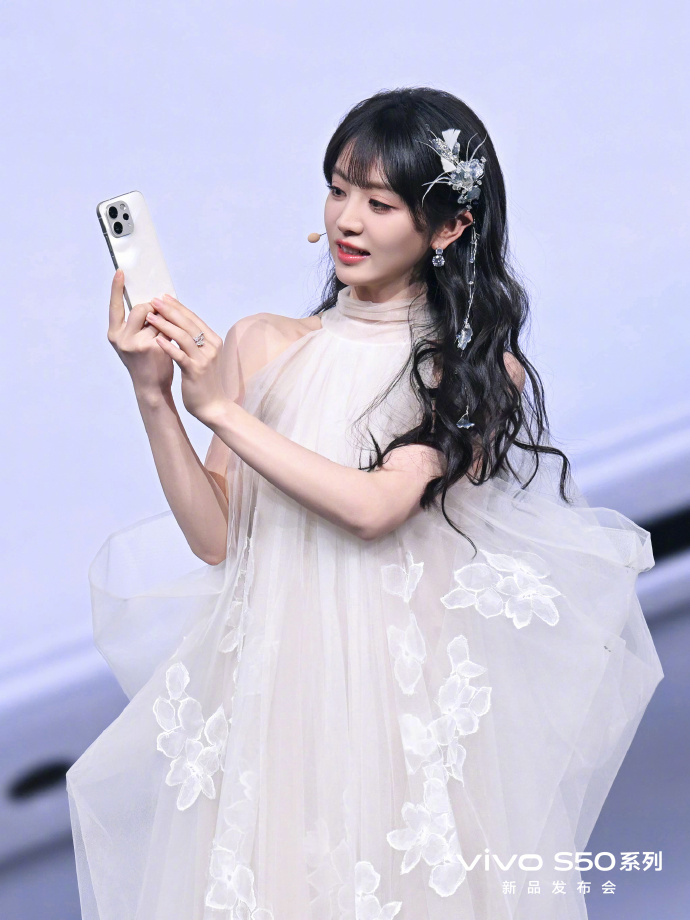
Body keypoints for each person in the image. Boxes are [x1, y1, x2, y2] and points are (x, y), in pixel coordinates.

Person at [67, 87, 663, 920]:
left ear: (448, 227)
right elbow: (216, 538)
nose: (347, 219)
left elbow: (376, 507)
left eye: (379, 203)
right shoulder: (264, 342)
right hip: (274, 695)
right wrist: (155, 395)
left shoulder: (468, 369)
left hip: (395, 702)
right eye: (338, 189)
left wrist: (223, 413)